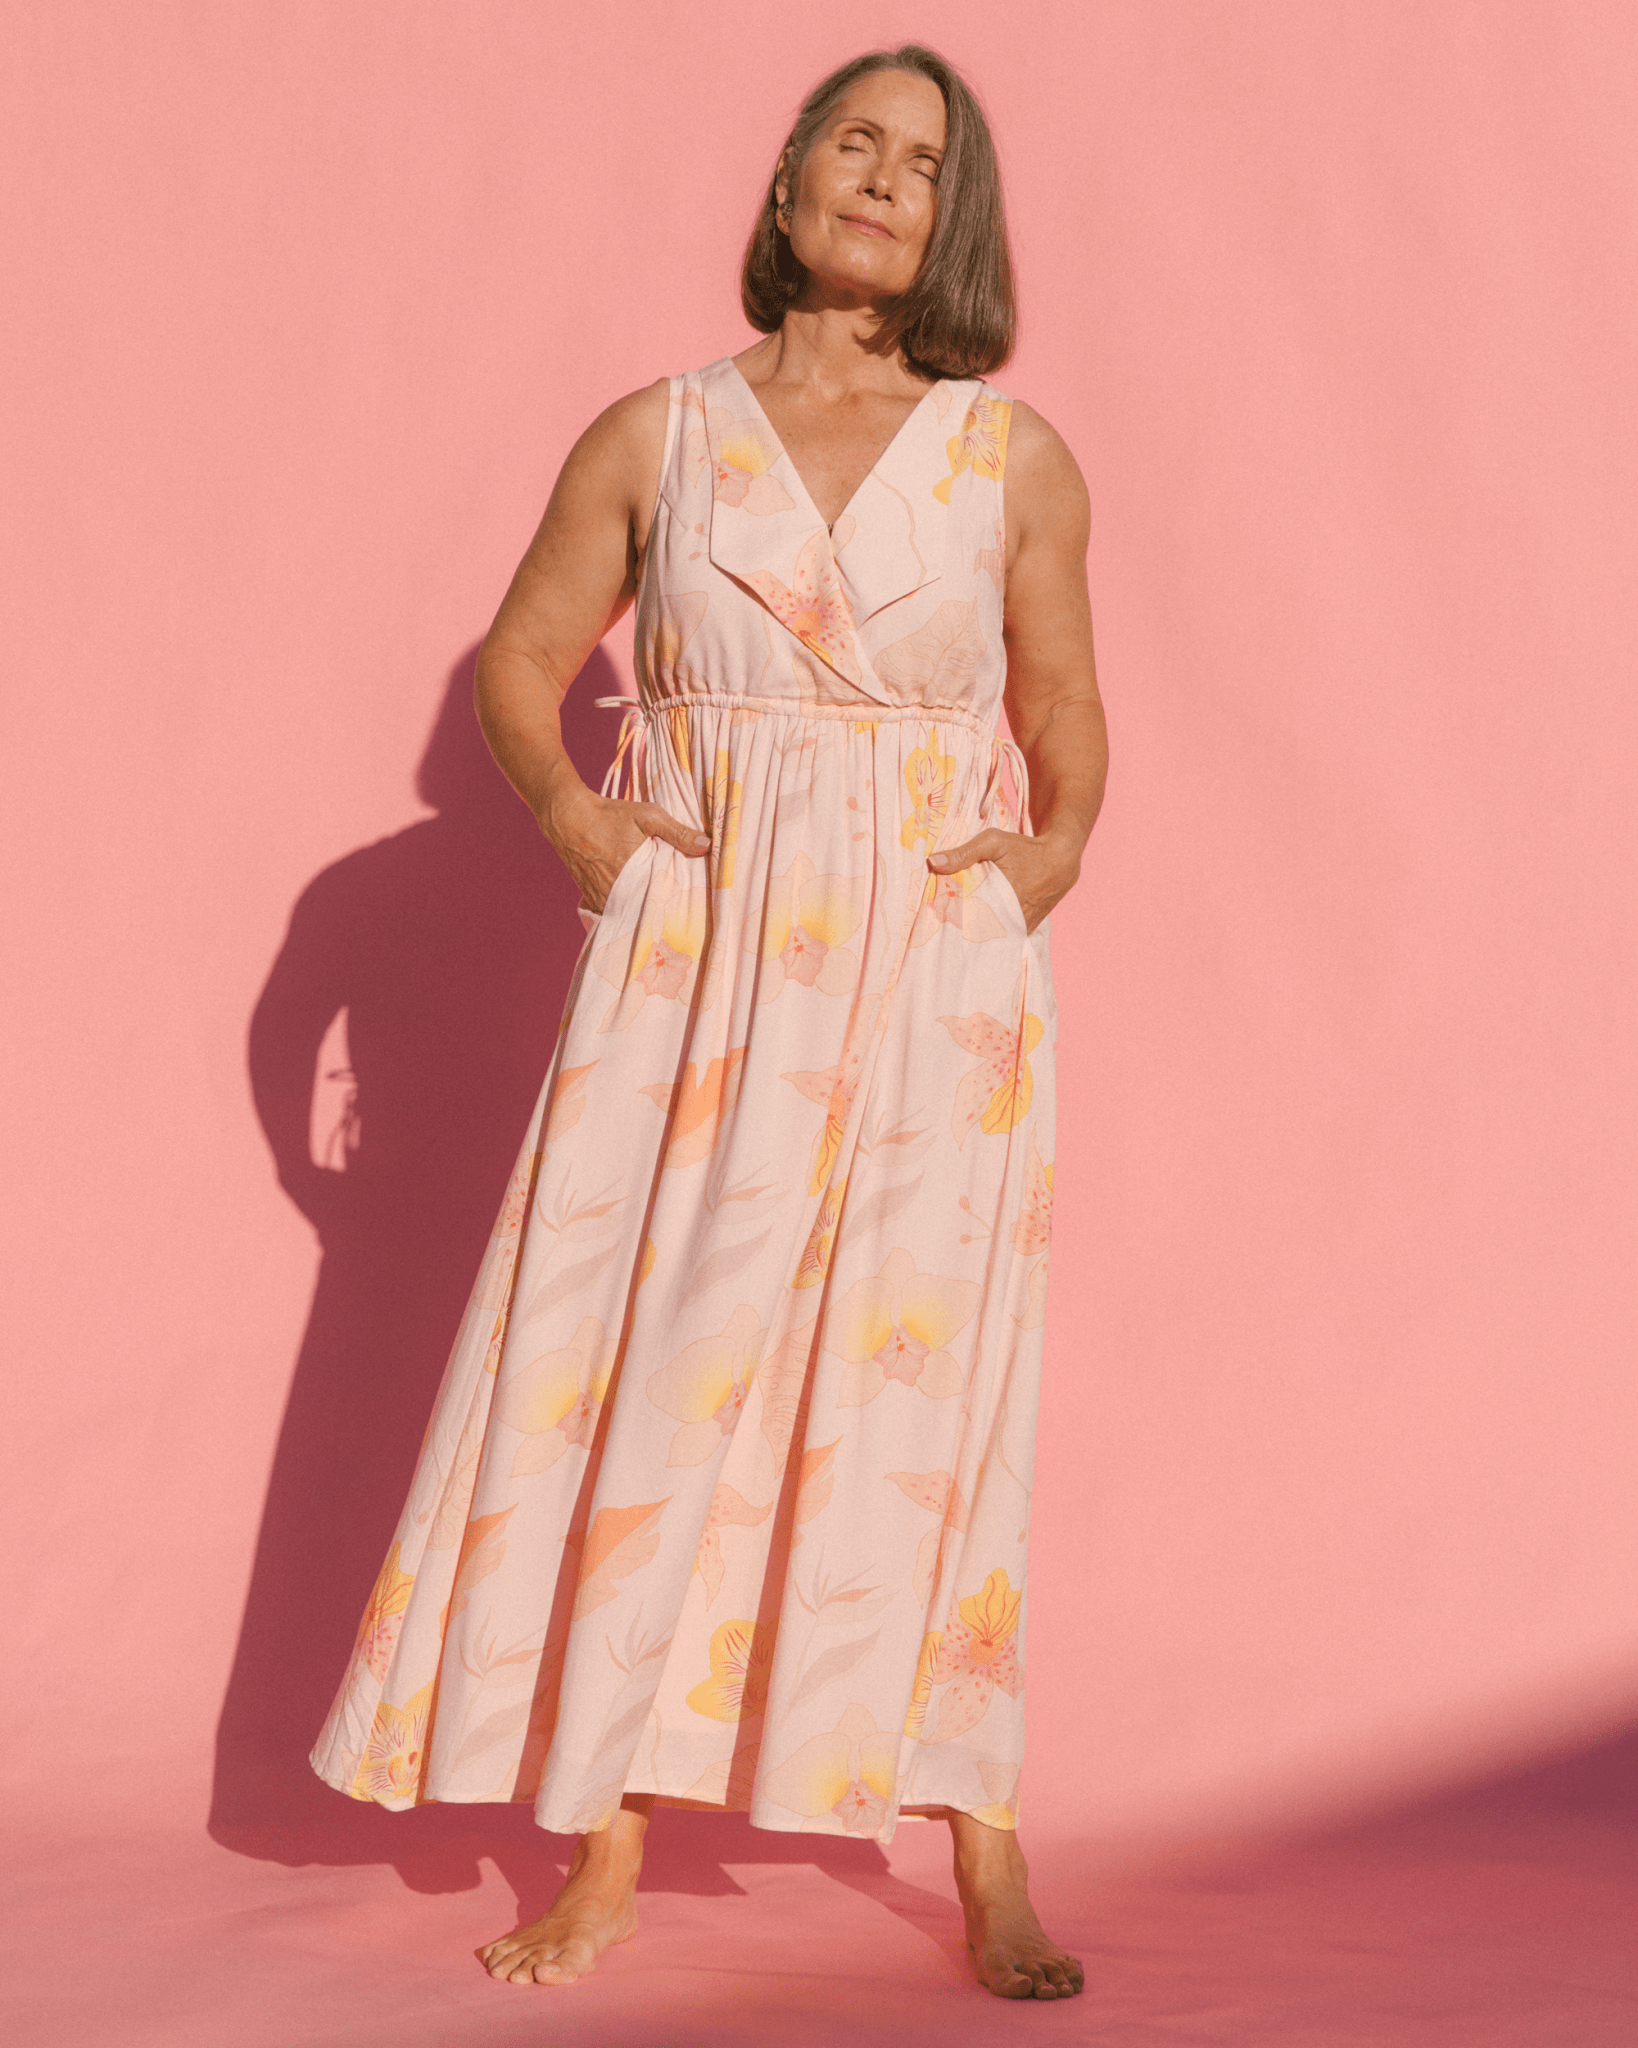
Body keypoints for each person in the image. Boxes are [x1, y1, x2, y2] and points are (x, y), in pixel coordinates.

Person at [309, 42, 1107, 2002]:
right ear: (789, 187)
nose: (880, 177)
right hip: (702, 964)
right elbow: (520, 662)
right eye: (854, 140)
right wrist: (585, 827)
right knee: (665, 1378)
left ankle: (981, 1839)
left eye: (921, 163)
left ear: (952, 229)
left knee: (923, 1401)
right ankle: (608, 1847)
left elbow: (1067, 705)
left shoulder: (1014, 461)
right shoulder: (656, 437)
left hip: (931, 974)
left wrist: (1044, 860)